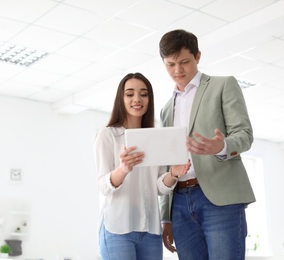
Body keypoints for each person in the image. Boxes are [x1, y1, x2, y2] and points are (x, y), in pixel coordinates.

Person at [158, 29, 256, 260]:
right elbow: (165, 164)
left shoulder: (223, 86)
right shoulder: (165, 110)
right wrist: (166, 217)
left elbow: (244, 134)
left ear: (198, 56)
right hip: (180, 203)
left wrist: (221, 147)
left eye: (184, 62)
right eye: (170, 64)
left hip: (219, 199)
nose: (178, 71)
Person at [94, 72, 191, 260]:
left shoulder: (155, 137)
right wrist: (123, 169)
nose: (137, 99)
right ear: (121, 99)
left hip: (150, 231)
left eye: (143, 94)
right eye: (130, 94)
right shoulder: (108, 135)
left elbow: (159, 187)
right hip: (118, 229)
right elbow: (103, 186)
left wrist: (173, 173)